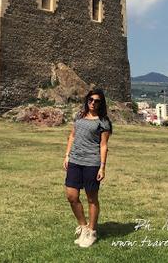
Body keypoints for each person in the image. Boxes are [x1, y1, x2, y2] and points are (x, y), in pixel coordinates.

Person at [64, 88, 112, 248]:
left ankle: (91, 231)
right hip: (75, 161)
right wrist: (67, 155)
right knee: (71, 196)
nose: (93, 103)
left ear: (101, 103)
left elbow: (104, 145)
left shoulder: (103, 121)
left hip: (92, 162)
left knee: (92, 198)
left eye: (97, 101)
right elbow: (72, 136)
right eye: (91, 100)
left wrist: (102, 167)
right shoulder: (79, 116)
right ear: (87, 100)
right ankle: (83, 226)